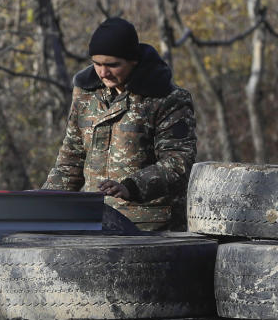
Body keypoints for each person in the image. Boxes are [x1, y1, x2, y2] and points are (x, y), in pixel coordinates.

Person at [42, 17, 197, 231]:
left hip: (151, 228)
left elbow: (179, 161)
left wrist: (131, 186)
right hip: (95, 223)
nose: (103, 73)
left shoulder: (167, 99)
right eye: (97, 64)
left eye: (113, 65)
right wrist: (44, 202)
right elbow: (71, 157)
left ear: (133, 61)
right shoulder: (86, 95)